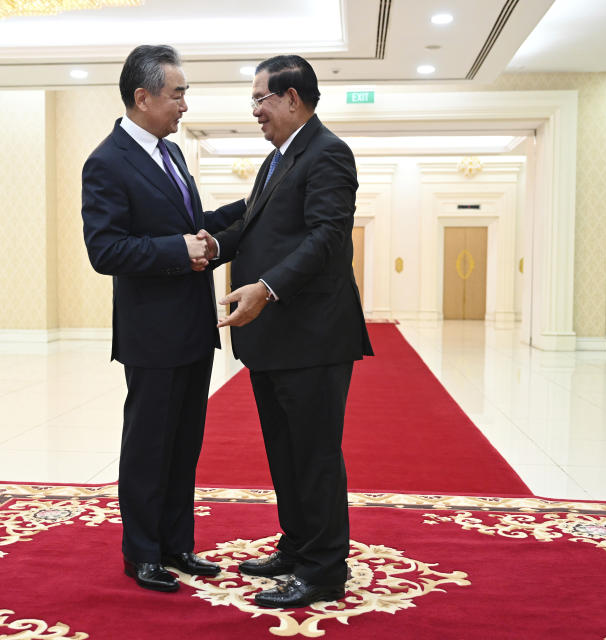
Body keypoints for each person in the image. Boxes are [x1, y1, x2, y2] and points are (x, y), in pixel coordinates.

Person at [80, 44, 247, 593]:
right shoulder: (106, 162)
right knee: (149, 446)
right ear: (142, 96)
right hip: (152, 334)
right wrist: (179, 250)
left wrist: (251, 206)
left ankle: (177, 546)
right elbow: (106, 251)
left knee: (183, 444)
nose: (184, 106)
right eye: (177, 95)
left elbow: (190, 226)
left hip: (192, 329)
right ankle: (142, 553)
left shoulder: (171, 155)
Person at [212, 55, 373, 608]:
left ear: (292, 99)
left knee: (314, 455)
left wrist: (268, 287)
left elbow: (327, 238)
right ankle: (298, 545)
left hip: (313, 338)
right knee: (285, 452)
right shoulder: (277, 160)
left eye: (260, 99)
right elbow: (249, 219)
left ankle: (325, 569)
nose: (254, 111)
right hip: (276, 341)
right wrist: (200, 237)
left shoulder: (327, 154)